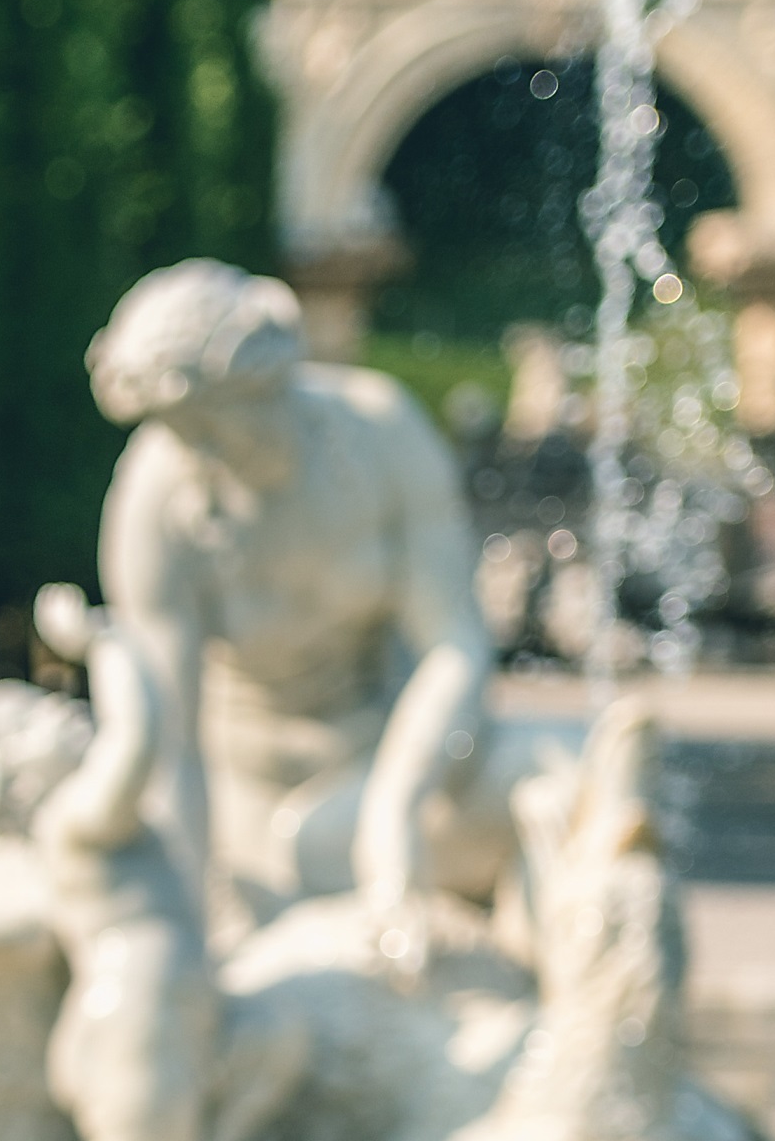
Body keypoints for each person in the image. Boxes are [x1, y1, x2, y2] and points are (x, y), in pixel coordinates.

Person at [89, 260, 506, 929]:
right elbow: (170, 739)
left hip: (391, 766)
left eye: (215, 423)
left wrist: (394, 809)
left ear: (274, 382)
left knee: (561, 786)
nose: (204, 452)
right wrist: (190, 922)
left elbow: (455, 645)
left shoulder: (381, 432)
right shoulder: (155, 493)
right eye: (183, 432)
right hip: (242, 802)